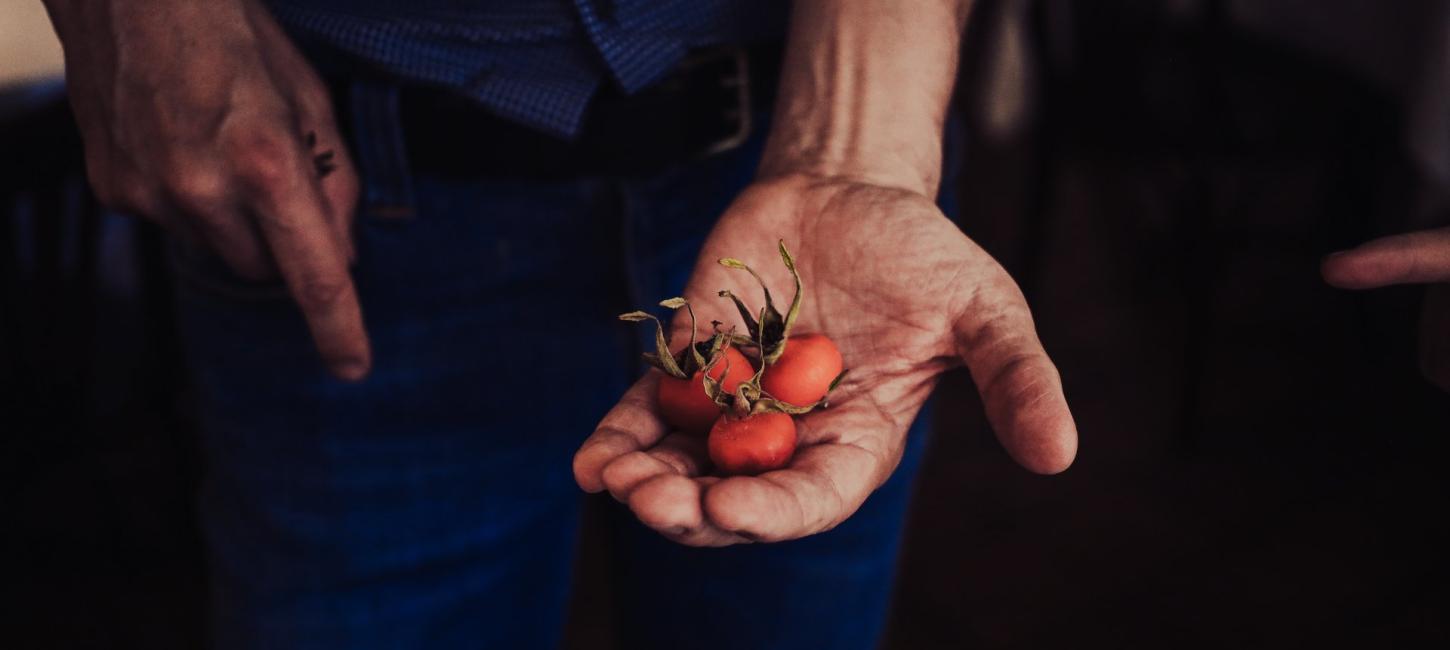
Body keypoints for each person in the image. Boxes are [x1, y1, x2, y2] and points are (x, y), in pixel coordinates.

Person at [41, 0, 1074, 647]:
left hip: (796, 146)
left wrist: (860, 152)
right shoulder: (746, 381)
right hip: (348, 172)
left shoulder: (748, 369)